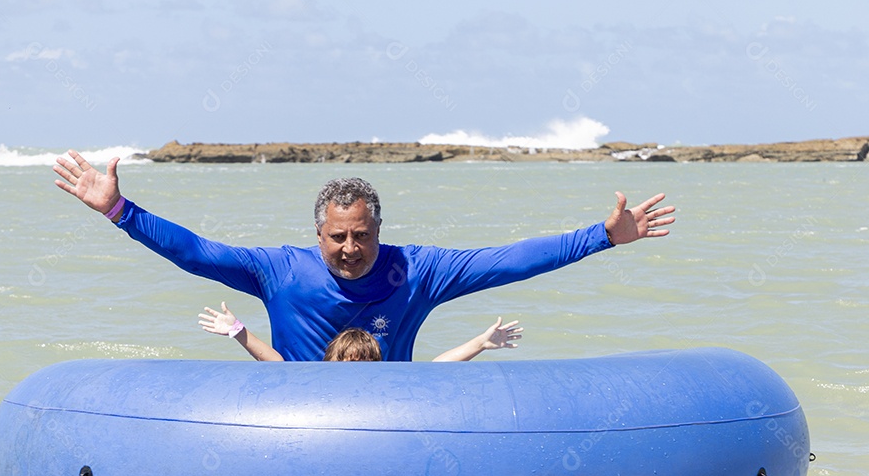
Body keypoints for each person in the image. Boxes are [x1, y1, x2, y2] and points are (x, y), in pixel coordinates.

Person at [53, 150, 673, 361]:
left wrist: (602, 236)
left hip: (388, 423)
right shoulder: (280, 271)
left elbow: (509, 260)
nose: (350, 249)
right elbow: (195, 252)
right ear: (318, 232)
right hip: (302, 425)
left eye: (362, 236)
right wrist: (119, 210)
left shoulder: (416, 270)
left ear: (378, 230)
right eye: (337, 237)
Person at [198, 301, 523, 362]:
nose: (356, 369)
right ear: (331, 361)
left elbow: (438, 368)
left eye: (364, 362)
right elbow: (274, 362)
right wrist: (236, 330)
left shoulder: (385, 384)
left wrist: (481, 343)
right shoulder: (319, 381)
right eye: (349, 362)